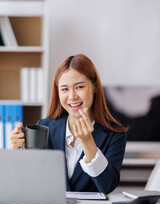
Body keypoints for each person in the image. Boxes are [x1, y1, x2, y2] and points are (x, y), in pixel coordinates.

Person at [10, 54, 127, 194]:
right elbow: (28, 181)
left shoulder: (115, 134)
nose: (72, 96)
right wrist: (15, 153)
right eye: (65, 89)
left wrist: (88, 142)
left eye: (79, 87)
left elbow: (107, 186)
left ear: (94, 87)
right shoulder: (44, 127)